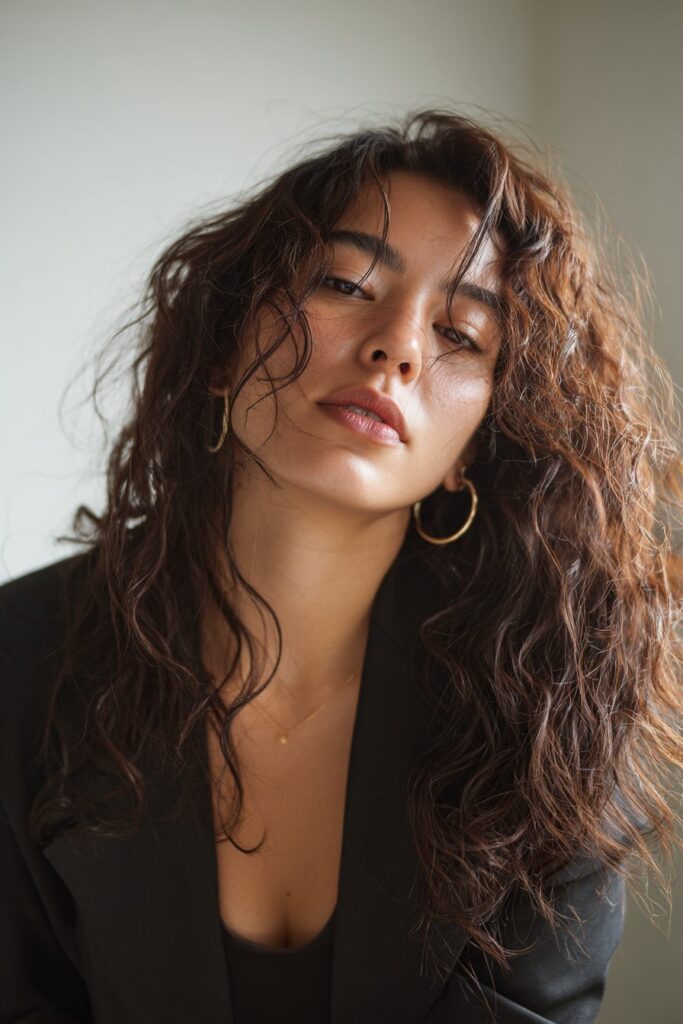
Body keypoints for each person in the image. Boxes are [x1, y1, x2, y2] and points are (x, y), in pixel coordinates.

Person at [1, 108, 682, 1024]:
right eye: (344, 283)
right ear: (223, 343)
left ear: (474, 448)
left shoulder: (553, 716)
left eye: (461, 334)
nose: (397, 344)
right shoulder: (20, 660)